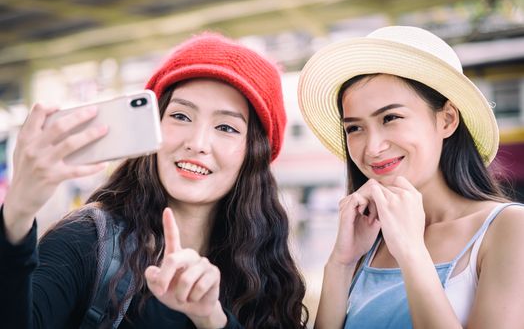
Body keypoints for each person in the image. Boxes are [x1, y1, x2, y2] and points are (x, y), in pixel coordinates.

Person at [0, 33, 308, 329]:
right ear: (153, 125)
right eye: (181, 116)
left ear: (253, 154)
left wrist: (214, 320)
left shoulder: (266, 272)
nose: (198, 143)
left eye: (226, 127)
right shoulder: (88, 241)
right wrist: (16, 216)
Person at [297, 26, 524, 328]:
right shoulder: (367, 241)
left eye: (391, 118)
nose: (373, 147)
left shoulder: (508, 229)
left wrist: (411, 251)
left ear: (447, 120)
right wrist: (341, 264)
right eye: (354, 128)